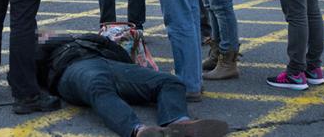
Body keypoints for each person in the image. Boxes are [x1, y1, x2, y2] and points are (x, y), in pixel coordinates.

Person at [36, 32, 229, 137]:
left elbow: (115, 50)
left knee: (169, 82)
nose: (48, 33)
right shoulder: (38, 50)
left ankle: (178, 122)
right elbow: (20, 75)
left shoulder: (80, 39)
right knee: (98, 86)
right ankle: (140, 131)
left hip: (111, 64)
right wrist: (40, 42)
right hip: (72, 70)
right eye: (43, 34)